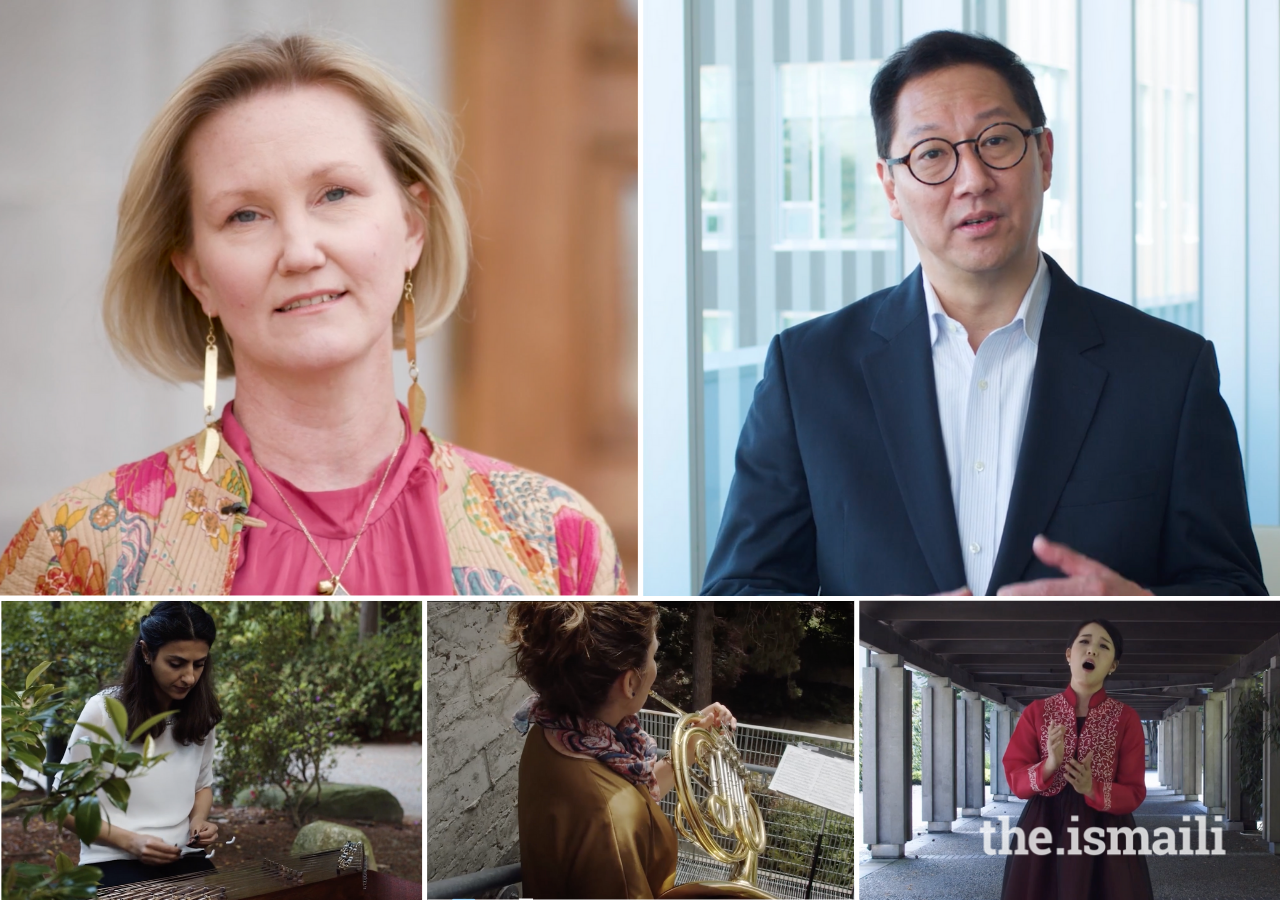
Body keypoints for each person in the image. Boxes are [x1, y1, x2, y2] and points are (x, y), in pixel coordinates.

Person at [0, 33, 623, 597]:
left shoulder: (559, 538)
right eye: (245, 214)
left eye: (335, 194)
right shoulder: (74, 550)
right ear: (196, 275)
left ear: (411, 226)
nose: (300, 252)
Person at [701, 30, 1264, 596]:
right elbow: (740, 594)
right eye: (932, 155)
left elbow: (1236, 595)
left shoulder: (1169, 371)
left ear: (1043, 158)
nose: (972, 180)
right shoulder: (808, 373)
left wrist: (1141, 614)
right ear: (890, 188)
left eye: (996, 141)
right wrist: (877, 634)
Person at [504, 601, 738, 899]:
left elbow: (633, 792)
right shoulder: (613, 823)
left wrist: (689, 746)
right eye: (654, 656)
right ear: (630, 683)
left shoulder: (553, 728)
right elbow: (619, 810)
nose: (655, 667)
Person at [57, 601, 222, 888]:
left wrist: (199, 820)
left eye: (199, 664)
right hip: (111, 859)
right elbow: (63, 804)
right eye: (176, 663)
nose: (189, 677)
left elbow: (201, 786)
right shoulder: (105, 710)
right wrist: (131, 842)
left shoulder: (202, 714)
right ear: (146, 652)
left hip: (185, 856)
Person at [1001, 619, 1154, 900]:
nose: (1092, 650)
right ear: (1069, 654)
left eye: (1103, 646)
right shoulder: (1037, 712)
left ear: (1113, 665)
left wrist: (1092, 788)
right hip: (1043, 825)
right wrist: (1049, 765)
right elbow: (1015, 777)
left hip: (1105, 832)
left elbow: (1134, 791)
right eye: (1084, 642)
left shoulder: (1126, 718)